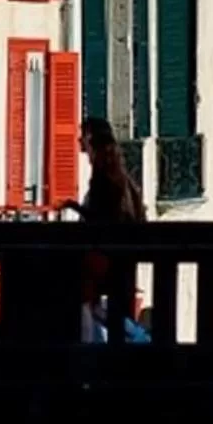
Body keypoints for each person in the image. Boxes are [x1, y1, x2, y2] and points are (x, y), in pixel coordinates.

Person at [77, 118, 145, 341]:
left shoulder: (103, 179)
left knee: (86, 303)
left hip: (105, 258)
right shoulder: (122, 178)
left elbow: (100, 216)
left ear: (90, 140)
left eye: (83, 137)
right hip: (120, 260)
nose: (80, 143)